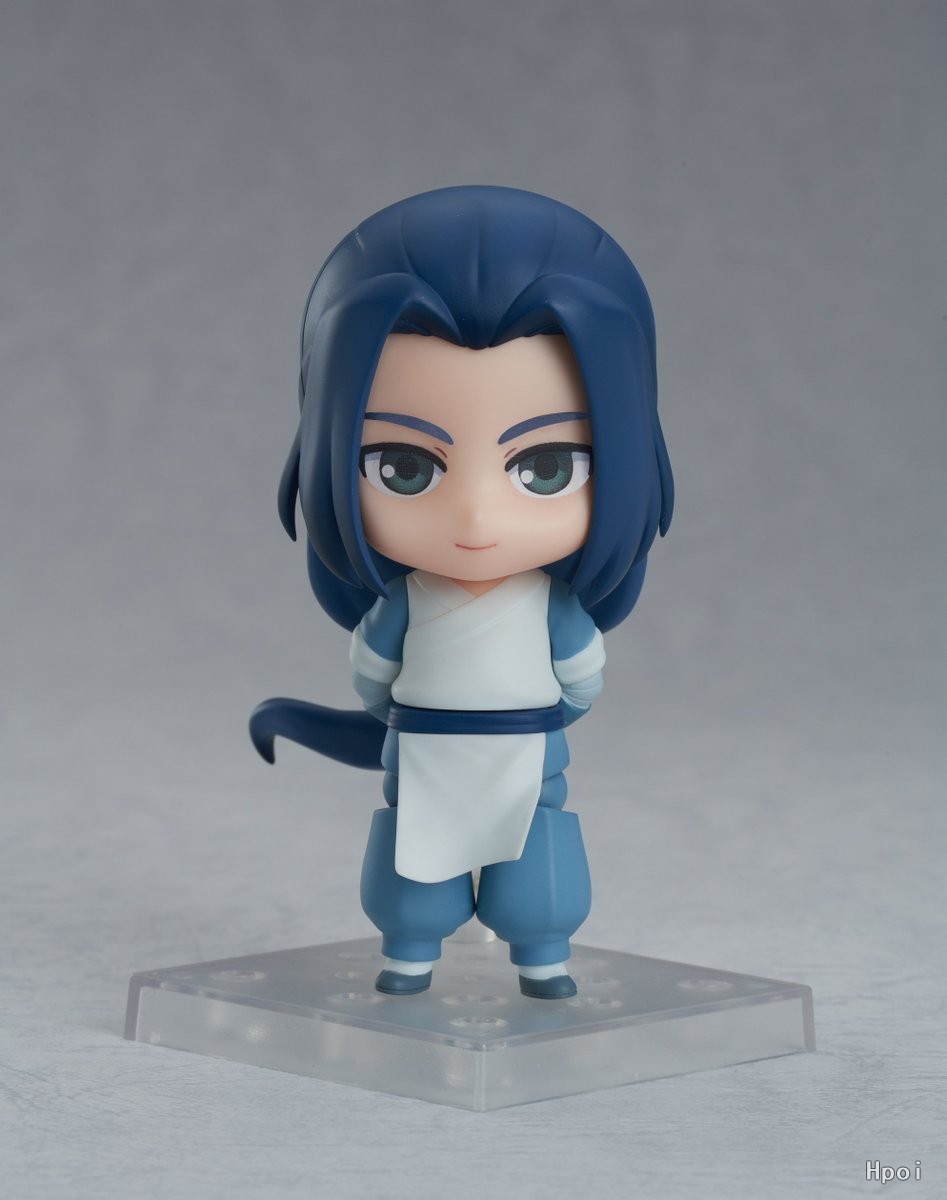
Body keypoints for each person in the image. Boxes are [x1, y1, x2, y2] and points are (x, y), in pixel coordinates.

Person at [250, 186, 673, 998]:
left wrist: (538, 716)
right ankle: (409, 953)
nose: (475, 516)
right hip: (425, 752)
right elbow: (374, 678)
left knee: (536, 866)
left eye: (543, 468)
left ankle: (541, 955)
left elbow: (580, 679)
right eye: (404, 468)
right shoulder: (404, 604)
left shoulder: (548, 608)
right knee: (415, 862)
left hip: (526, 753)